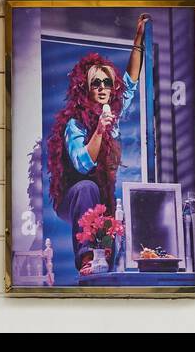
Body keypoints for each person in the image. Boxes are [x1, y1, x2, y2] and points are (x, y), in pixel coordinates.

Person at [46, 14, 150, 277]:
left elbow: (131, 82)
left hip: (99, 198)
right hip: (73, 196)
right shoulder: (75, 124)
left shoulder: (111, 112)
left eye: (107, 83)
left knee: (109, 214)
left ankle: (105, 265)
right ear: (86, 89)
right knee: (87, 187)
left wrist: (137, 39)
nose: (103, 88)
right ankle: (86, 257)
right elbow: (82, 164)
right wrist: (100, 130)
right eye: (96, 83)